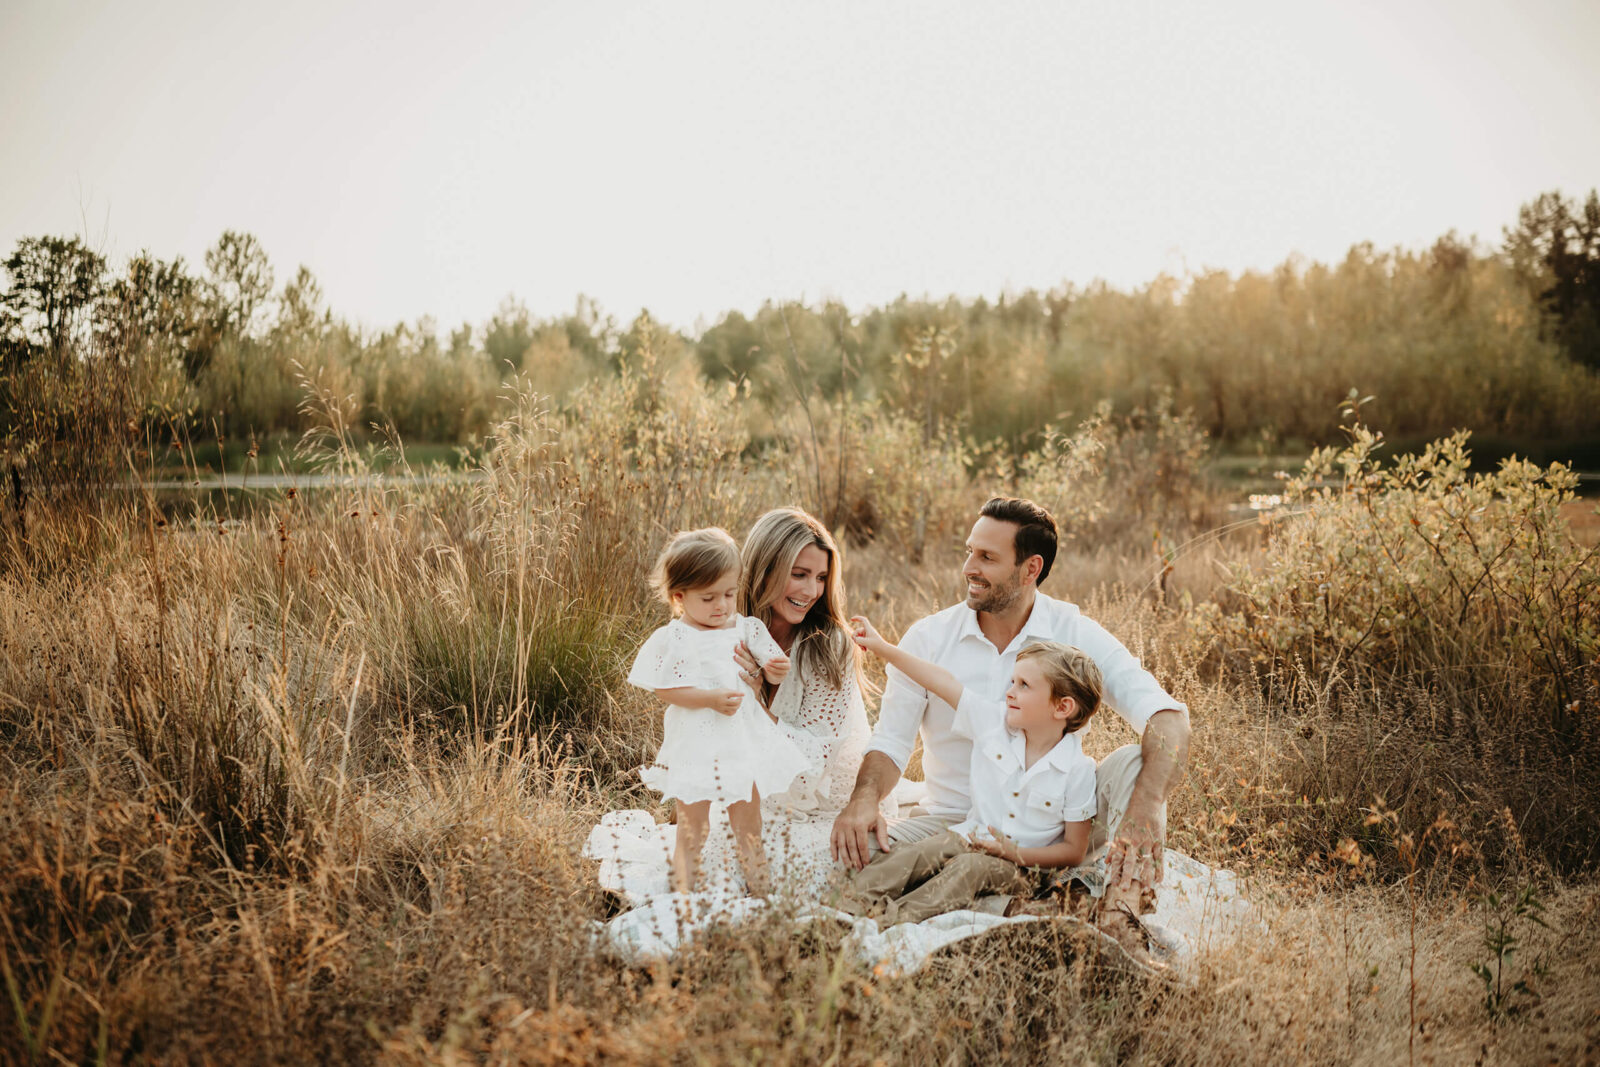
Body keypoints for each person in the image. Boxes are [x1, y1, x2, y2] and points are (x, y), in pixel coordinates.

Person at [829, 496, 1190, 932]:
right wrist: (863, 799)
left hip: (1054, 831)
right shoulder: (928, 638)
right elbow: (890, 742)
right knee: (853, 857)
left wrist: (1147, 806)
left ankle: (1119, 920)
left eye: (987, 557)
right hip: (956, 825)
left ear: (1030, 568)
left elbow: (1167, 718)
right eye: (969, 552)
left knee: (1135, 763)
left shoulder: (1071, 633)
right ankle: (1031, 906)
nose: (968, 568)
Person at [840, 619, 1100, 925]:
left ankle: (891, 924)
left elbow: (1073, 850)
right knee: (917, 855)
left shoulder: (1079, 770)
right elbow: (942, 681)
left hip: (1025, 869)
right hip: (968, 837)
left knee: (968, 870)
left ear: (1062, 707)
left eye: (1024, 685)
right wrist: (884, 648)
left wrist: (1013, 852)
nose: (1010, 692)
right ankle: (842, 910)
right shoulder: (993, 724)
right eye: (1012, 681)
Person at [628, 527, 810, 895]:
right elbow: (666, 688)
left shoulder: (745, 627)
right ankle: (683, 898)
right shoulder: (675, 637)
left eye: (729, 594)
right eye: (708, 598)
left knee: (748, 825)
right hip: (697, 743)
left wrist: (775, 667)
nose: (722, 606)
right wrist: (709, 700)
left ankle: (763, 894)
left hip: (742, 741)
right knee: (693, 827)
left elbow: (772, 659)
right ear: (680, 597)